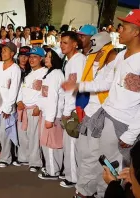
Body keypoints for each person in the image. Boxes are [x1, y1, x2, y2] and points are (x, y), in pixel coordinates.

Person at [62, 10, 140, 197]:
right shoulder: (121, 56)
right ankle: (90, 192)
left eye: (124, 27)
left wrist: (132, 133)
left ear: (136, 32)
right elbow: (104, 81)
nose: (119, 30)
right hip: (106, 117)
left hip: (124, 125)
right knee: (98, 161)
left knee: (114, 168)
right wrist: (79, 86)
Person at [63, 32, 117, 198]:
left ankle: (91, 192)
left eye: (96, 52)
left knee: (98, 159)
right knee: (87, 156)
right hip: (90, 114)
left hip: (105, 117)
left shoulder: (116, 64)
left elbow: (103, 85)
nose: (92, 56)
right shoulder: (100, 65)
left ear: (105, 50)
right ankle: (88, 190)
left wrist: (78, 85)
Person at [0, 42, 21, 168]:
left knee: (4, 133)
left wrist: (8, 108)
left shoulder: (15, 69)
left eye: (6, 50)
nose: (3, 52)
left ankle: (5, 158)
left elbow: (14, 89)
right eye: (3, 50)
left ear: (12, 53)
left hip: (6, 107)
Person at [60, 31, 87, 188]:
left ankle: (73, 177)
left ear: (75, 44)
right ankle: (71, 173)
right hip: (72, 107)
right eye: (61, 42)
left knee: (72, 144)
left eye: (65, 42)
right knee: (70, 144)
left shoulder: (77, 61)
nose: (62, 45)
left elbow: (73, 88)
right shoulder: (70, 61)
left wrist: (67, 111)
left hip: (75, 109)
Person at [15, 47, 47, 172]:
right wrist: (19, 101)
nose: (31, 59)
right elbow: (21, 90)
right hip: (24, 109)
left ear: (41, 59)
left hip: (34, 109)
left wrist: (39, 106)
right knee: (23, 135)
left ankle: (35, 161)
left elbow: (45, 93)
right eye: (30, 57)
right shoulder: (28, 74)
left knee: (34, 136)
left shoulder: (45, 73)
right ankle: (23, 157)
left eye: (35, 57)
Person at [37, 48, 65, 180]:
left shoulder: (55, 75)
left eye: (49, 56)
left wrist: (49, 118)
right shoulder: (52, 73)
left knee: (51, 144)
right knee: (50, 143)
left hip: (51, 115)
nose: (46, 58)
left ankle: (53, 170)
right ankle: (52, 167)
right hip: (48, 113)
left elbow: (53, 98)